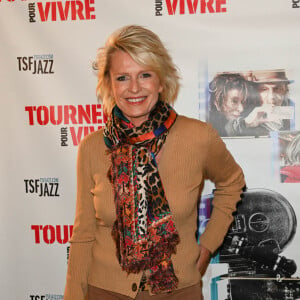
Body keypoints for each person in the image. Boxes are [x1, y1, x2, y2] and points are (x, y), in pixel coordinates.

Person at [63, 25, 245, 300]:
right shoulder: (92, 147)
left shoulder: (197, 137)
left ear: (161, 81)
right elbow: (83, 234)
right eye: (122, 77)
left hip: (178, 291)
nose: (134, 88)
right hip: (104, 291)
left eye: (145, 75)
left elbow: (232, 183)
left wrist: (207, 246)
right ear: (110, 85)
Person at [226, 70, 294, 136]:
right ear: (255, 92)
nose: (271, 97)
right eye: (264, 89)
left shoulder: (293, 108)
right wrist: (247, 123)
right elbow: (227, 131)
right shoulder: (245, 110)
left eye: (277, 88)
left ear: (285, 90)